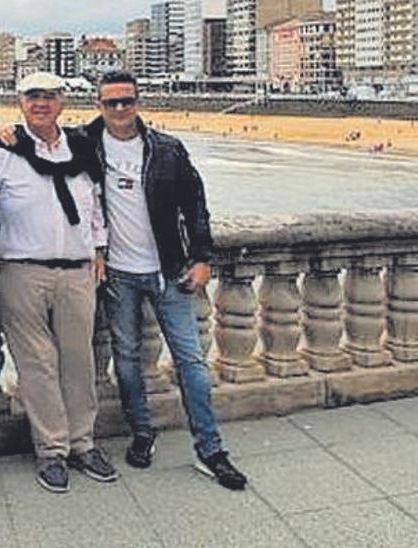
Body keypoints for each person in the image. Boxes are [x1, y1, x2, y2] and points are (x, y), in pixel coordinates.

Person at [86, 71, 247, 489]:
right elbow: (38, 140)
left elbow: (196, 206)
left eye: (126, 101)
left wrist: (201, 258)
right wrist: (7, 131)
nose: (119, 110)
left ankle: (210, 448)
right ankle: (142, 433)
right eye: (110, 103)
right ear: (99, 106)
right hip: (117, 275)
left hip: (169, 273)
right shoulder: (84, 144)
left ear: (138, 103)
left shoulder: (167, 150)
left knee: (191, 361)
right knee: (126, 359)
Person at [0, 72, 115, 494]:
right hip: (21, 271)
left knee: (79, 360)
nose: (42, 103)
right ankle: (52, 449)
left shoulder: (82, 149)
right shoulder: (1, 155)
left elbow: (94, 204)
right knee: (37, 365)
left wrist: (98, 249)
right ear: (20, 102)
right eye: (33, 96)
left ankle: (84, 443)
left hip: (77, 271)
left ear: (62, 102)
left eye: (50, 97)